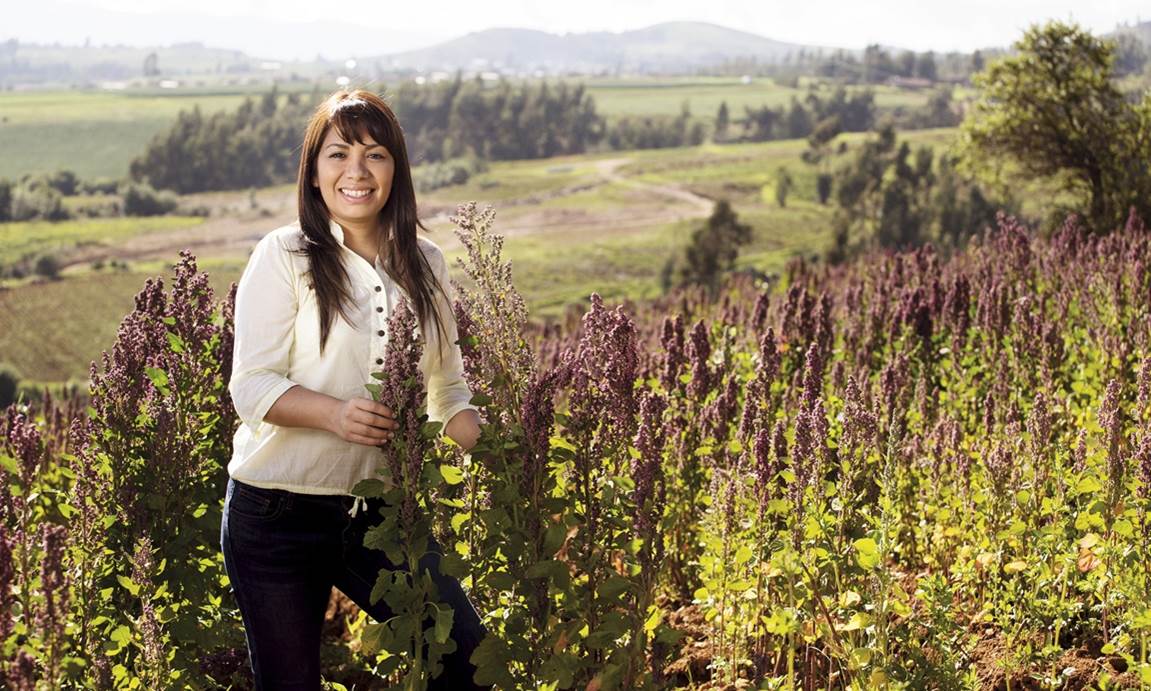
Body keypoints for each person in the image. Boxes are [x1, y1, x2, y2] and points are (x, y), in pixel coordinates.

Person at [221, 89, 488, 690]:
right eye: (338, 155)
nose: (357, 172)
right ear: (314, 174)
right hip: (274, 512)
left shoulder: (426, 263)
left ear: (397, 169)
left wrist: (504, 454)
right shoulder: (283, 254)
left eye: (375, 154)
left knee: (465, 660)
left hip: (379, 514)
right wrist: (335, 415)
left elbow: (446, 392)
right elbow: (252, 386)